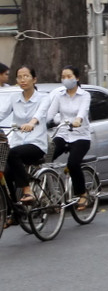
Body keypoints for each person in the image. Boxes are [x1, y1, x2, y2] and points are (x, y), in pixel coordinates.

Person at [0, 66, 51, 203]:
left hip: (36, 144)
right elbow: (2, 113)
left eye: (26, 76)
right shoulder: (14, 98)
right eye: (19, 77)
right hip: (17, 143)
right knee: (4, 173)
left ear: (34, 79)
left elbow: (40, 113)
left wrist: (32, 123)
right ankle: (13, 210)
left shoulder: (44, 97)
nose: (22, 80)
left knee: (13, 153)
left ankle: (27, 190)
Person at [46, 66, 93, 211]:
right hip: (63, 134)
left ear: (77, 78)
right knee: (45, 159)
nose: (65, 79)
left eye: (69, 76)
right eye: (63, 76)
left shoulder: (84, 95)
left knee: (73, 164)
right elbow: (50, 114)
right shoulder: (59, 96)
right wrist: (46, 121)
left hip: (80, 136)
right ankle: (50, 193)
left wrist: (78, 120)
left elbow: (82, 111)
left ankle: (82, 193)